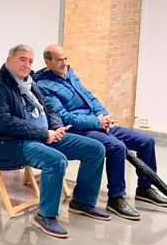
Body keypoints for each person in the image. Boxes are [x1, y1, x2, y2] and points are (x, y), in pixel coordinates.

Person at [0, 44, 109, 238]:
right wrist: (43, 134)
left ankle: (82, 202)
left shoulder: (29, 82)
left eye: (30, 61)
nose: (27, 64)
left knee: (96, 149)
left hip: (42, 135)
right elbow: (4, 122)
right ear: (9, 60)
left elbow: (48, 107)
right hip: (10, 143)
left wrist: (56, 127)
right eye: (22, 59)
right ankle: (45, 216)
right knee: (56, 160)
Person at [35, 44, 167, 219]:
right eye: (59, 60)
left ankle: (144, 189)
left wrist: (103, 116)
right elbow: (65, 118)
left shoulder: (70, 74)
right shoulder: (44, 85)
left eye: (66, 58)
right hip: (80, 130)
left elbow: (90, 97)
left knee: (146, 141)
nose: (64, 63)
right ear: (47, 61)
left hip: (98, 123)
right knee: (117, 147)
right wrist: (96, 121)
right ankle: (116, 197)